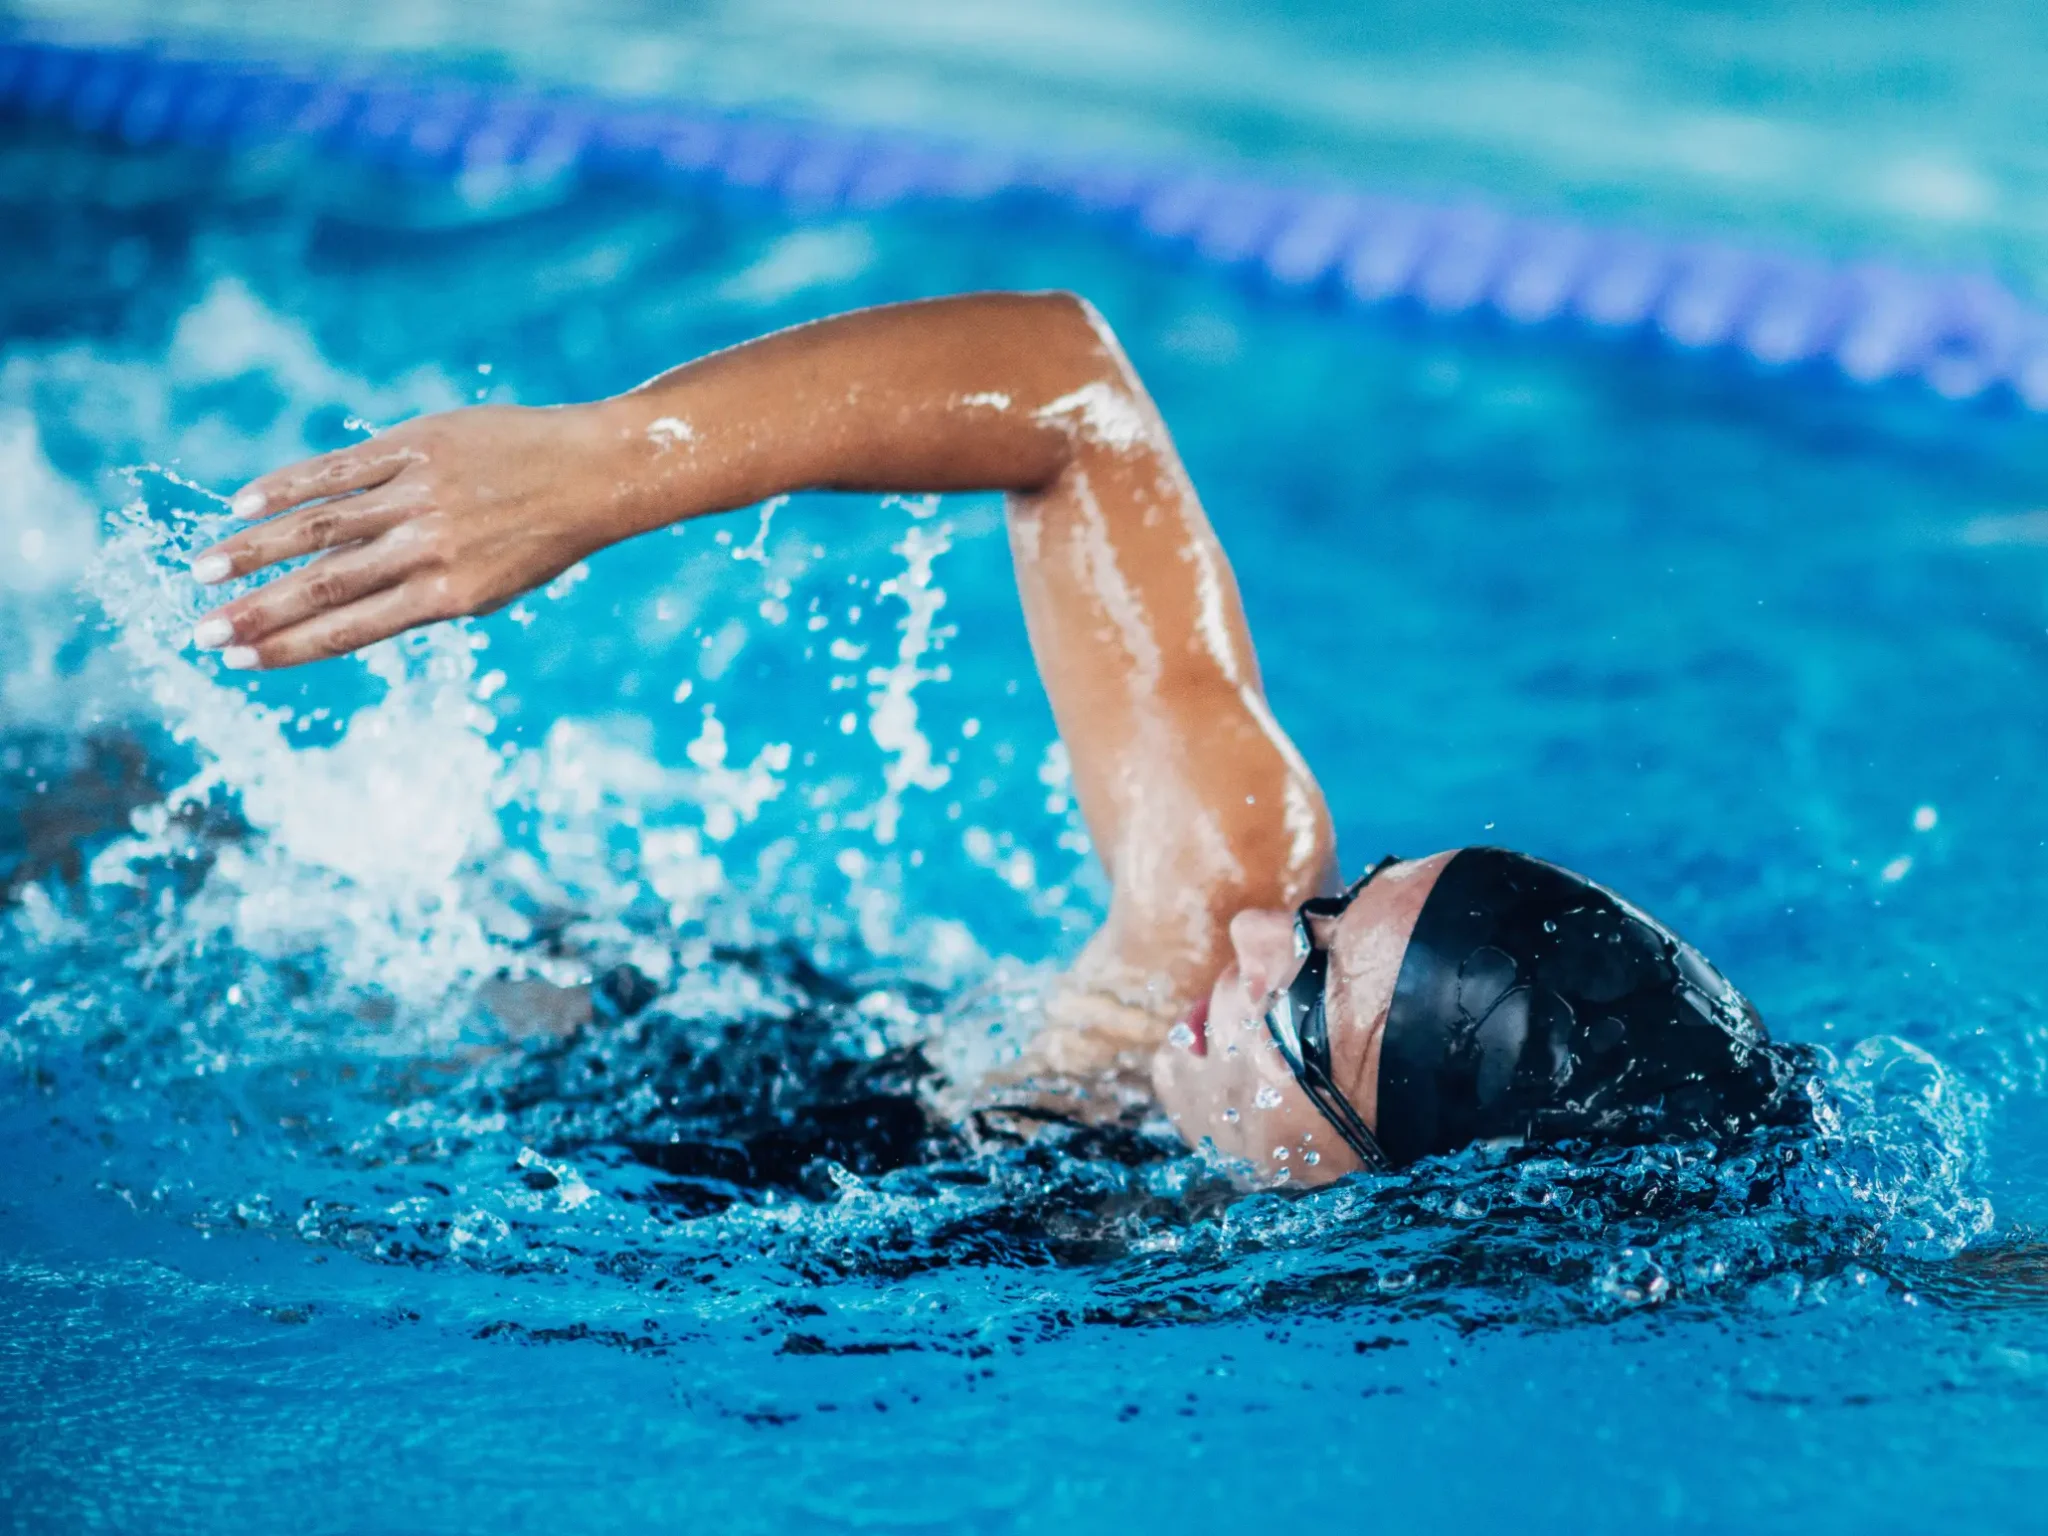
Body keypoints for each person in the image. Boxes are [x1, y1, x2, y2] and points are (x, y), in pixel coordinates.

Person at [186, 291, 1806, 1186]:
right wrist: (607, 468)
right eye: (1337, 908)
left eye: (1312, 1000)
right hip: (552, 1019)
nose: (1253, 931)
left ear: (1394, 1183)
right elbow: (1066, 390)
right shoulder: (1204, 934)